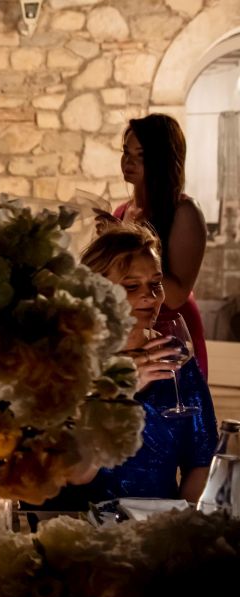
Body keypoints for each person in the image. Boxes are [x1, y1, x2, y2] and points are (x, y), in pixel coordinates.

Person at [48, 224, 217, 508]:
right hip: (78, 524)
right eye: (131, 286)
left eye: (156, 283)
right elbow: (76, 474)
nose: (150, 296)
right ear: (97, 291)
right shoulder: (68, 363)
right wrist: (119, 391)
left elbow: (202, 461)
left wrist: (181, 523)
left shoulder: (177, 360)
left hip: (159, 528)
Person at [115, 114, 209, 378]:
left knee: (175, 399)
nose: (128, 161)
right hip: (134, 332)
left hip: (172, 329)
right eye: (126, 152)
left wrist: (124, 244)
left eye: (141, 155)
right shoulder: (121, 211)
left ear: (163, 160)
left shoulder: (184, 211)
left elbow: (177, 295)